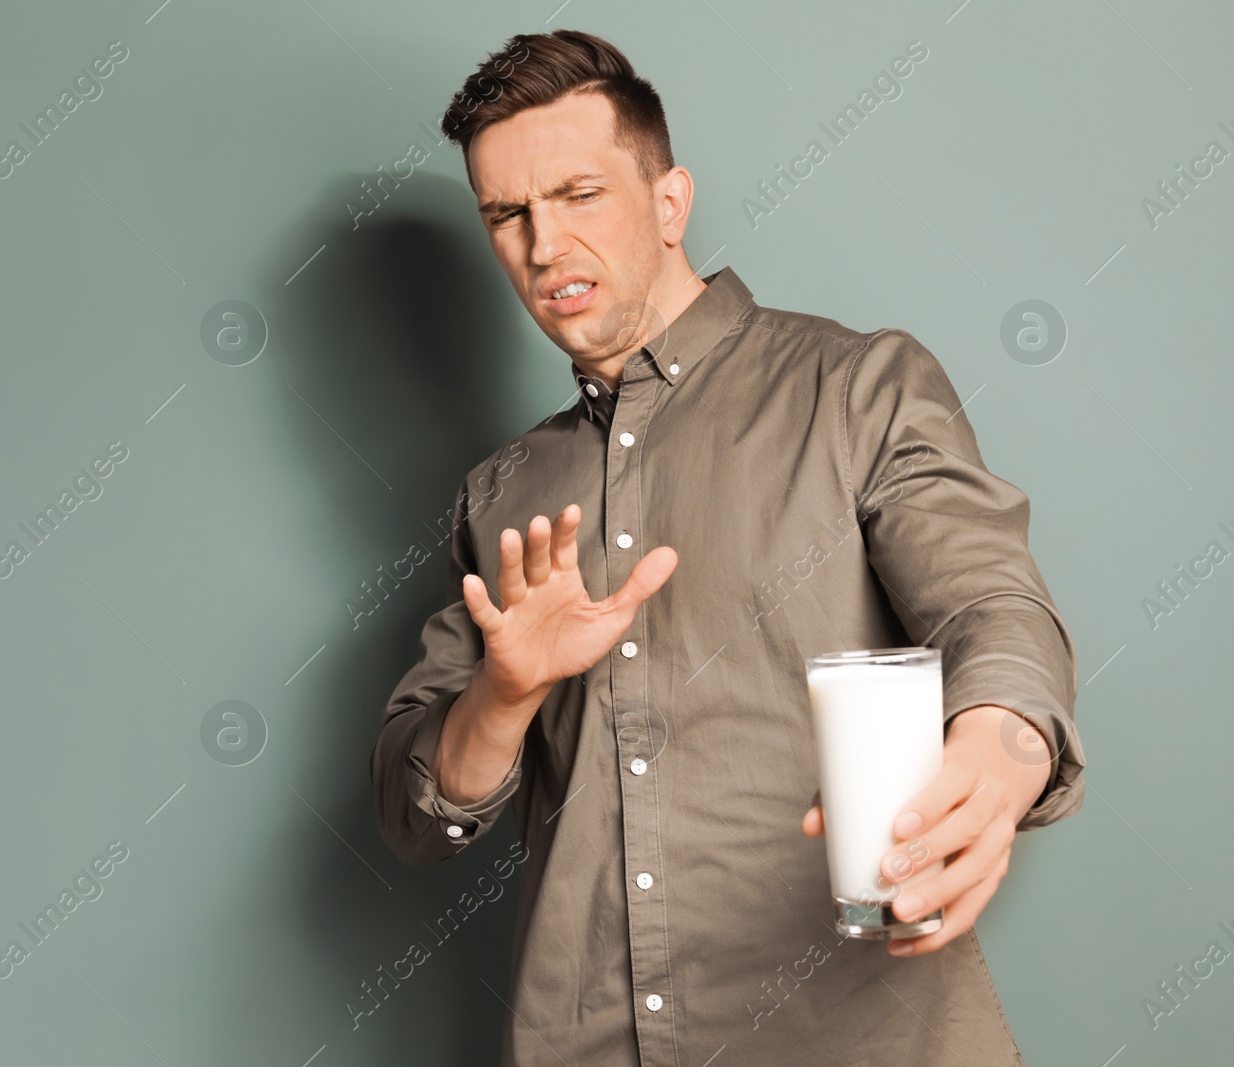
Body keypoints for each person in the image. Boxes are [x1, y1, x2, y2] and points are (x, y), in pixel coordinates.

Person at [369, 28, 1086, 1067]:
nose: (543, 245)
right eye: (506, 215)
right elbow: (413, 813)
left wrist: (996, 749)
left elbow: (991, 607)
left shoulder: (856, 387)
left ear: (668, 203)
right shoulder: (500, 494)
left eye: (578, 194)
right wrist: (504, 693)